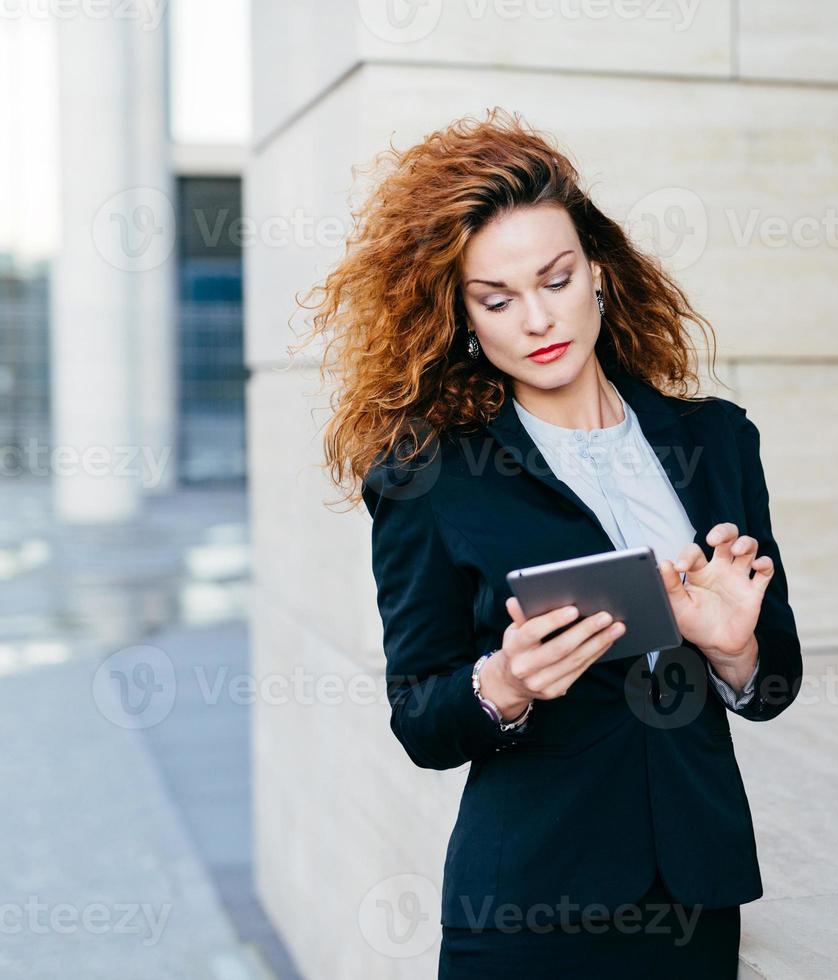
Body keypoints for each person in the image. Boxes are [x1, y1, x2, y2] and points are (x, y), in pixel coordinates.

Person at [298, 107, 803, 978]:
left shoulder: (718, 441)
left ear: (598, 276)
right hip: (527, 908)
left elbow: (775, 682)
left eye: (557, 279)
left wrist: (735, 651)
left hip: (696, 893)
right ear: (461, 316)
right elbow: (421, 717)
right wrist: (503, 684)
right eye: (497, 299)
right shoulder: (431, 477)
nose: (538, 318)